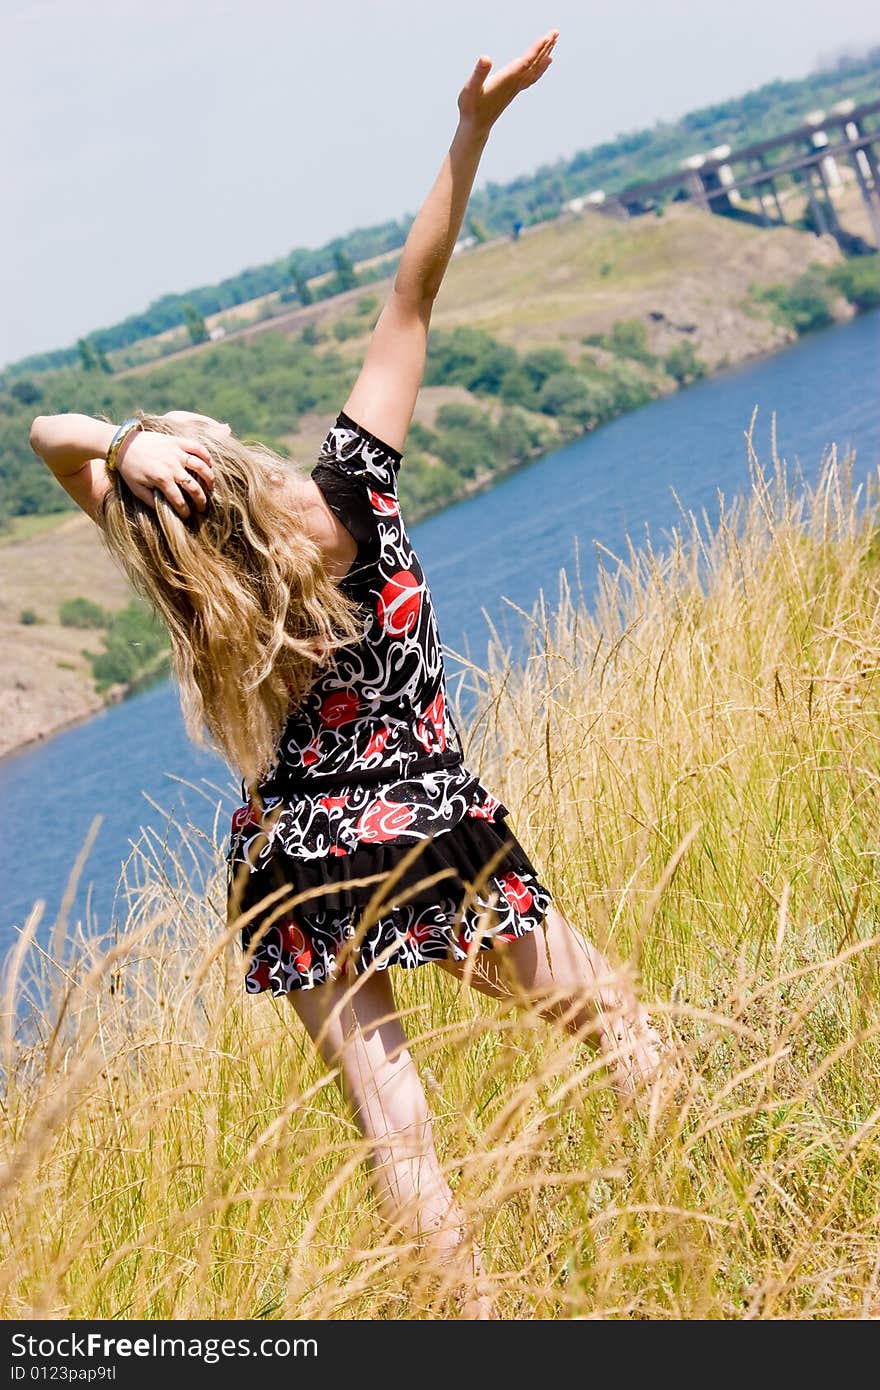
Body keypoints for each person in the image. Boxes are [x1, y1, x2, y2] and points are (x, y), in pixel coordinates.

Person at [30, 29, 664, 1314]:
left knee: (398, 1132)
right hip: (419, 819)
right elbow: (411, 298)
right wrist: (472, 129)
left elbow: (50, 434)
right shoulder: (343, 503)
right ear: (228, 460)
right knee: (620, 1023)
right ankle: (681, 1235)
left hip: (284, 858)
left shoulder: (176, 568)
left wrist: (125, 445)